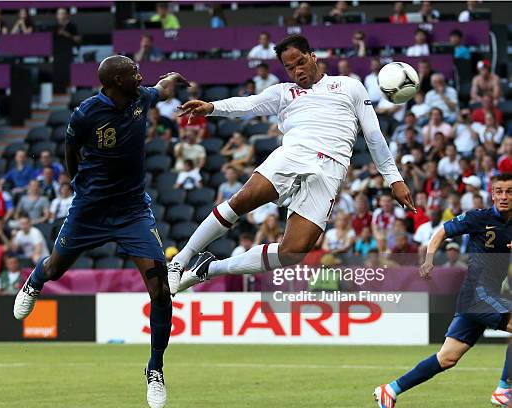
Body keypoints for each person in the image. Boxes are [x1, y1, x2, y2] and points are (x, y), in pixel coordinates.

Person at [168, 34, 414, 294]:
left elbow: (374, 136)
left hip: (331, 171)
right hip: (293, 154)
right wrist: (211, 107)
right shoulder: (283, 92)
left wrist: (394, 178)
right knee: (242, 200)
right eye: (289, 67)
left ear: (313, 57)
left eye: (300, 62)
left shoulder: (350, 87)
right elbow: (248, 104)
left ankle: (209, 269)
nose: (297, 70)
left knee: (292, 253)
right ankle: (180, 261)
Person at [13, 55, 189, 408]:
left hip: (132, 211)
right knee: (57, 268)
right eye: (132, 73)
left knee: (160, 287)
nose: (139, 76)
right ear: (114, 81)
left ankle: (155, 368)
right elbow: (70, 148)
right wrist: (76, 179)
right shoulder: (86, 113)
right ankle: (35, 279)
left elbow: (162, 88)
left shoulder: (141, 98)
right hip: (90, 209)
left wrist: (172, 79)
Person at [374, 173, 512, 408]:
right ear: (492, 194)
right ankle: (504, 388)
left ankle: (391, 389)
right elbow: (441, 233)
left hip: (482, 297)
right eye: (499, 191)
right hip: (477, 293)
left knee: (447, 358)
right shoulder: (478, 218)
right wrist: (428, 259)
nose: (504, 196)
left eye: (509, 192)